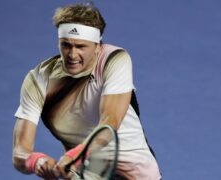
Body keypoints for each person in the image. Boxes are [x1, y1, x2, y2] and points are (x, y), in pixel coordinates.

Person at [12, 2, 161, 179]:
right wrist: (38, 161)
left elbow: (109, 123)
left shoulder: (113, 59)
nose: (72, 55)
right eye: (66, 45)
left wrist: (75, 156)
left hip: (136, 174)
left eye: (81, 46)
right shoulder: (38, 80)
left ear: (98, 47)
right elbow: (20, 152)